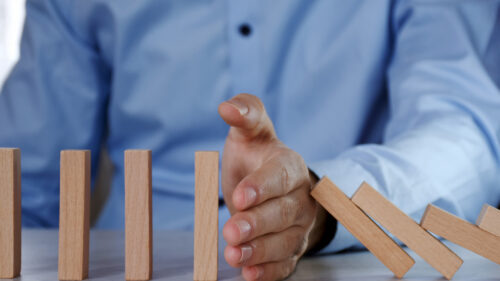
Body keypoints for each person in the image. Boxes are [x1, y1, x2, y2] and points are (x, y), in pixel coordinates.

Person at [1, 1, 499, 280]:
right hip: (124, 264)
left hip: (340, 258)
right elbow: (22, 186)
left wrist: (325, 197)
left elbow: (467, 134)